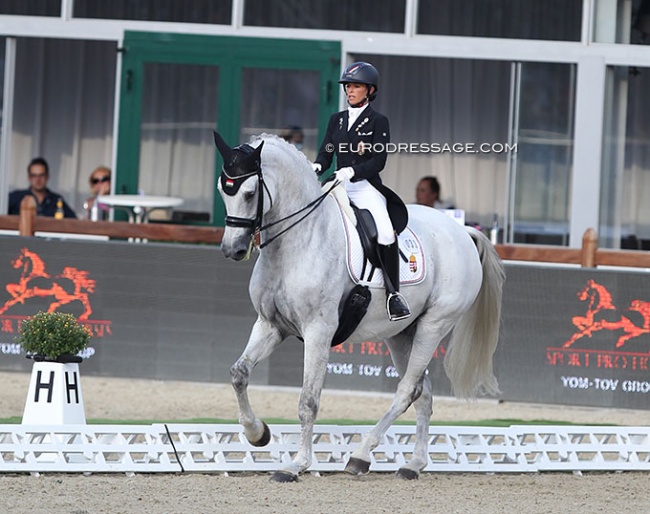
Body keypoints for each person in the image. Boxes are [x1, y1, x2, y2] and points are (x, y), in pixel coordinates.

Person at [312, 61, 410, 322]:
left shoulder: (379, 121)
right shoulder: (337, 120)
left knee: (387, 233)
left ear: (369, 90)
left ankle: (393, 294)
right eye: (348, 86)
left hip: (364, 187)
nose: (350, 91)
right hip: (338, 185)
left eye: (355, 86)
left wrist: (351, 172)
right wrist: (318, 166)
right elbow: (327, 151)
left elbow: (378, 161)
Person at [8, 157, 76, 218]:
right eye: (34, 176)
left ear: (47, 176)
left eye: (41, 175)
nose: (38, 179)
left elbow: (74, 222)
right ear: (29, 177)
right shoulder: (16, 197)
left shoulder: (56, 200)